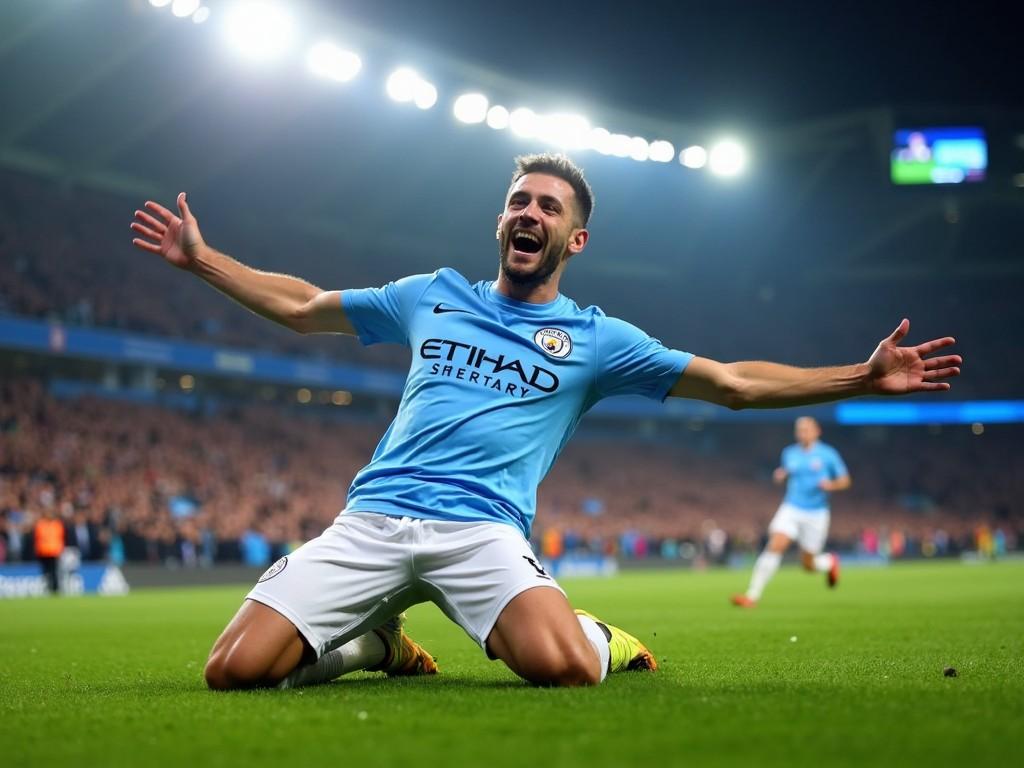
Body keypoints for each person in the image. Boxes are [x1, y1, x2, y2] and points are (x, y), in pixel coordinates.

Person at [130, 153, 961, 689]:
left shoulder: (600, 339)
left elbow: (736, 383)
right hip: (373, 520)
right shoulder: (431, 294)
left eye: (549, 207)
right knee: (232, 673)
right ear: (501, 221)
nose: (530, 213)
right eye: (518, 201)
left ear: (576, 238)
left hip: (482, 532)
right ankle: (378, 646)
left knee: (568, 671)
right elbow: (306, 306)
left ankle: (595, 631)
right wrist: (203, 260)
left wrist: (861, 375)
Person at [731, 417, 849, 608]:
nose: (802, 433)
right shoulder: (789, 453)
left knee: (808, 565)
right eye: (799, 430)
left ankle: (829, 562)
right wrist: (781, 476)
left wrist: (831, 485)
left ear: (817, 431)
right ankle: (752, 596)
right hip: (792, 507)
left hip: (816, 513)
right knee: (775, 544)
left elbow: (845, 480)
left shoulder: (828, 454)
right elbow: (787, 473)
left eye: (806, 429)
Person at [33, 507, 65, 594]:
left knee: (54, 572)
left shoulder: (57, 524)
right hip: (43, 552)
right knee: (45, 572)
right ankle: (47, 588)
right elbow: (37, 539)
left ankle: (55, 589)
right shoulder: (41, 524)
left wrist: (60, 550)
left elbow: (61, 538)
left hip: (54, 552)